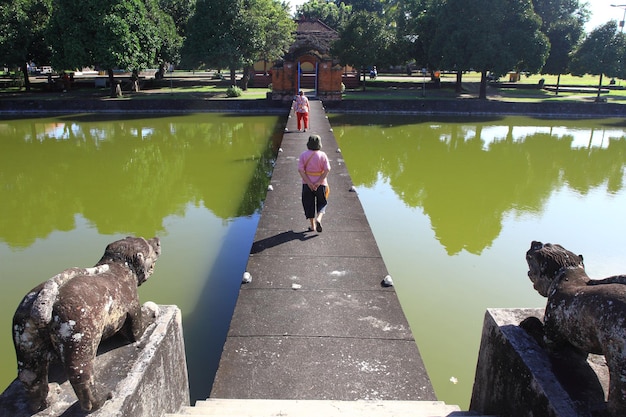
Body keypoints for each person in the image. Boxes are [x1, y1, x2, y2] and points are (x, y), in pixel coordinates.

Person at [298, 135, 331, 232]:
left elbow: (300, 170)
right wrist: (318, 182)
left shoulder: (303, 155)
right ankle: (319, 219)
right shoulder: (323, 155)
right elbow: (327, 169)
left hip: (307, 184)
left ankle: (312, 226)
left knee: (309, 204)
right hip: (321, 184)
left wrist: (309, 183)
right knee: (322, 202)